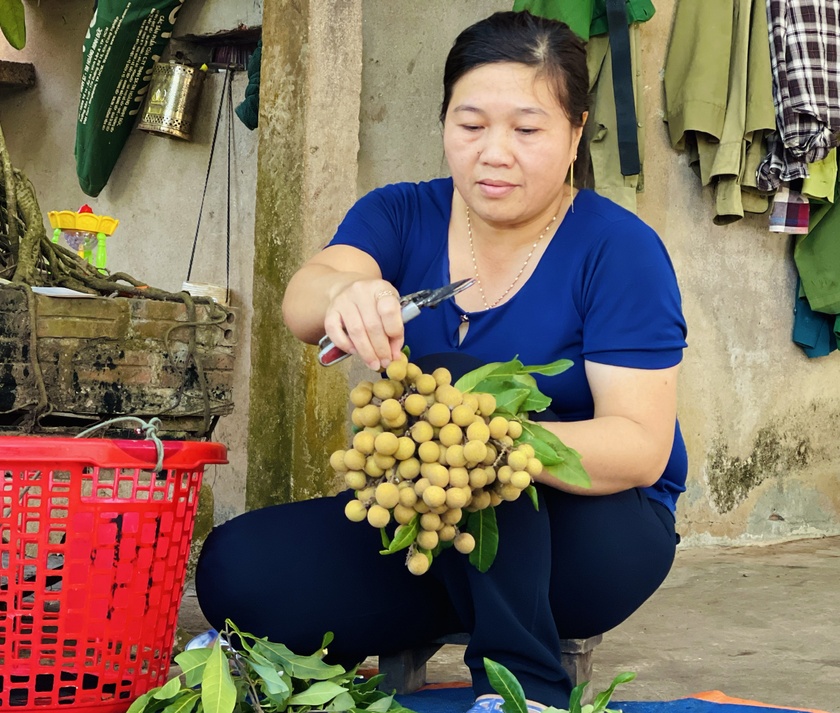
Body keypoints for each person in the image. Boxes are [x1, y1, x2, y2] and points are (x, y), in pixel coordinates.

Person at [196, 10, 687, 712]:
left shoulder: (618, 249)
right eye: (471, 124)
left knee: (453, 390)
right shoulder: (401, 213)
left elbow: (640, 446)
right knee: (238, 570)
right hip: (432, 522)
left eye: (527, 129)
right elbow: (305, 297)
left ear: (575, 132)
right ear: (444, 122)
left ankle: (524, 686)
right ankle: (452, 600)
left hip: (594, 535)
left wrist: (486, 441)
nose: (494, 152)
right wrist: (349, 292)